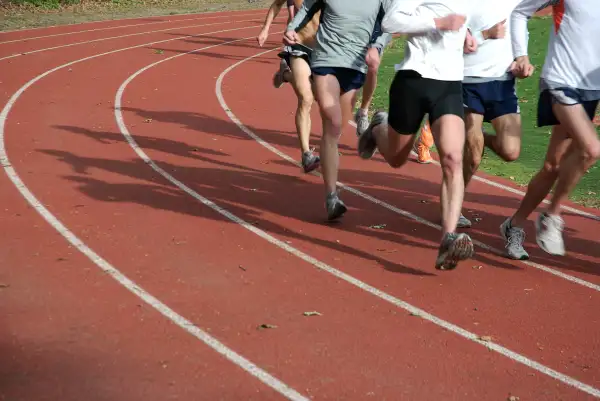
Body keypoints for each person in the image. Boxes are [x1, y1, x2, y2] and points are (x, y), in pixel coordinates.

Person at [357, 0, 505, 270]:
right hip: (413, 80)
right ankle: (379, 129)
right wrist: (437, 23)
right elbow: (390, 21)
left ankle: (448, 238)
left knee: (452, 158)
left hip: (449, 84)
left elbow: (463, 22)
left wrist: (469, 35)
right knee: (396, 158)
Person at [500, 0, 600, 258]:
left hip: (591, 90)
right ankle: (552, 215)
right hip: (561, 82)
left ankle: (515, 225)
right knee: (590, 149)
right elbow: (520, 11)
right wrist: (520, 54)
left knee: (553, 166)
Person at [285, 0, 391, 221]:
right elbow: (306, 8)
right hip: (326, 57)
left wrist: (377, 46)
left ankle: (371, 132)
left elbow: (389, 23)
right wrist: (291, 29)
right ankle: (331, 196)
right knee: (332, 123)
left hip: (355, 64)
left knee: (337, 128)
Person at [457, 2, 535, 231]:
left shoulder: (517, 3)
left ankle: (472, 136)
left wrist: (520, 62)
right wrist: (485, 35)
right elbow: (450, 44)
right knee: (472, 157)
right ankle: (454, 202)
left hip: (503, 83)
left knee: (510, 151)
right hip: (468, 80)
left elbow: (520, 32)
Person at [257, 0, 321, 173]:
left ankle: (285, 74)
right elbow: (277, 4)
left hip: (323, 49)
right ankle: (306, 154)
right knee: (306, 99)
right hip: (298, 45)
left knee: (319, 97)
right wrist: (265, 29)